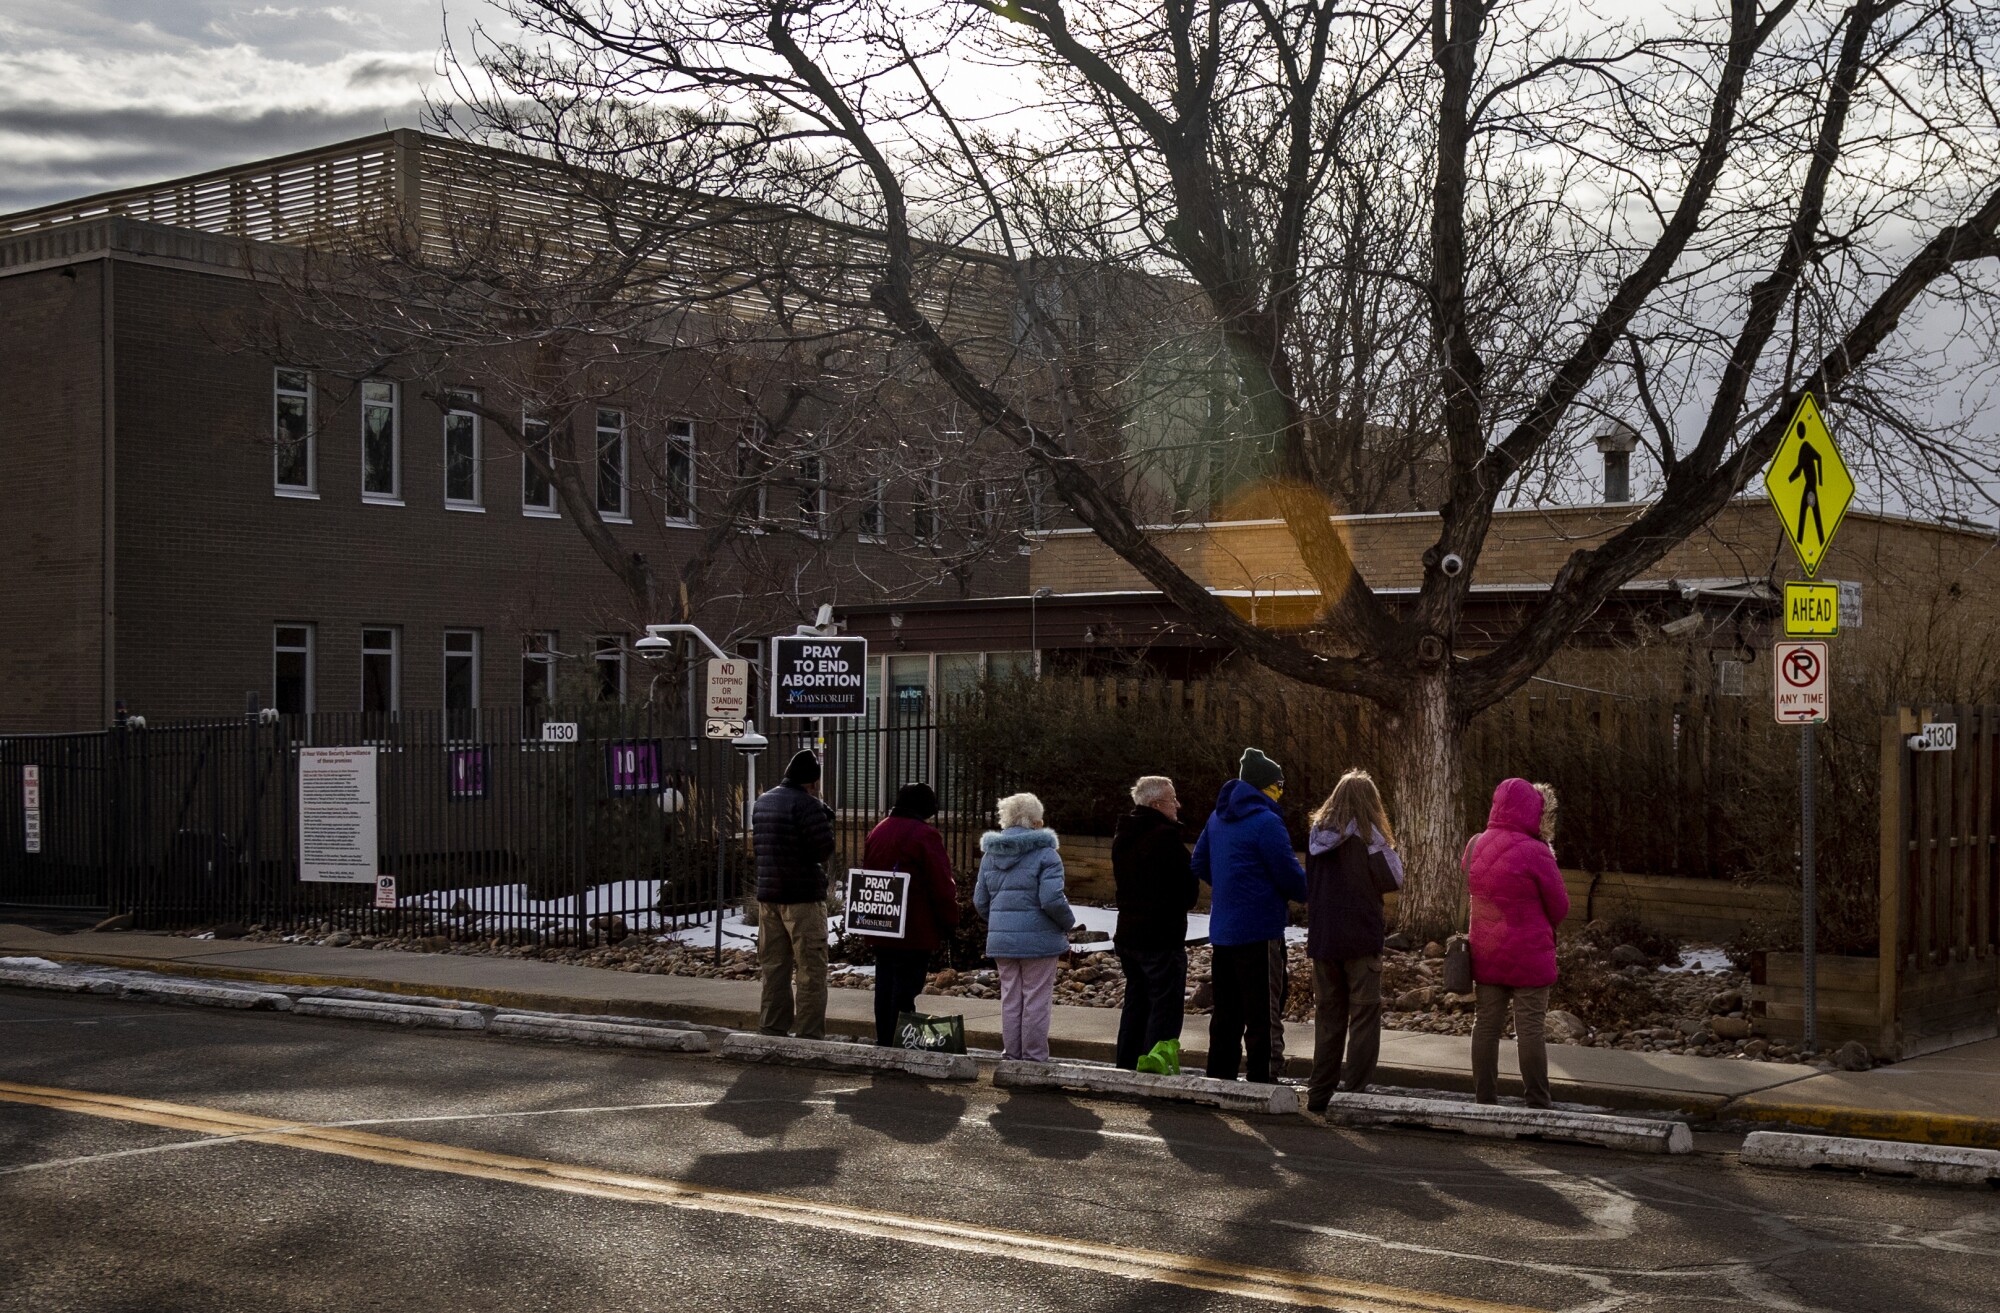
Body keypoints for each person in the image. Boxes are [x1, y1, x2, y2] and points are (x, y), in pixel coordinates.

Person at [1192, 748, 1307, 1084]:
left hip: (1224, 930)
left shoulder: (1217, 817)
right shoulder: (1267, 822)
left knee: (1226, 1012)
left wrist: (1230, 886)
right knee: (1264, 1011)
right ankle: (1264, 1078)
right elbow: (1290, 876)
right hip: (1260, 930)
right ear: (1265, 786)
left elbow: (1199, 863)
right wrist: (1305, 892)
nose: (1282, 790)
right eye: (1279, 784)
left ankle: (1220, 1077)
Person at [1465, 777, 1570, 1108]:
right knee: (1530, 1031)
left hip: (1486, 952)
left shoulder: (1475, 844)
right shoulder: (1536, 851)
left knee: (1485, 1027)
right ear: (1534, 811)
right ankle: (1538, 1101)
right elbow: (1560, 907)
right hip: (1530, 956)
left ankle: (1485, 1099)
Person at [1303, 770, 1403, 1110]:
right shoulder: (1369, 838)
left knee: (1328, 1017)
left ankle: (1320, 1092)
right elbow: (1393, 880)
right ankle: (1354, 1095)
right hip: (1361, 940)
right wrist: (1379, 842)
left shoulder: (1317, 839)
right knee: (1363, 1017)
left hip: (1324, 940)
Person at [974, 791, 1075, 1062]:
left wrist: (1000, 923)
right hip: (1039, 940)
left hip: (1002, 941)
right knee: (1036, 999)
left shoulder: (990, 855)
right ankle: (1033, 1057)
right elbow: (1052, 899)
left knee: (1010, 998)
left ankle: (1011, 1055)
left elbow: (980, 900)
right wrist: (1068, 923)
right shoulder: (1046, 854)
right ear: (1036, 822)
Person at [860, 782, 960, 1046]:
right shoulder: (924, 835)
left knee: (885, 984)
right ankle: (900, 1041)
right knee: (906, 989)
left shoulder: (879, 830)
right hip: (914, 926)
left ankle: (885, 1038)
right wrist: (950, 921)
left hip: (881, 920)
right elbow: (940, 883)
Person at [1111, 775, 1197, 1070]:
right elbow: (1187, 891)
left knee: (1136, 1001)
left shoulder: (1124, 835)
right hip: (1160, 935)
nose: (1178, 805)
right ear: (1158, 803)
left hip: (1128, 934)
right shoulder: (1165, 837)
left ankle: (1127, 1061)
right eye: (1173, 799)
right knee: (1165, 1004)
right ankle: (1155, 1062)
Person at [751, 749, 836, 1040]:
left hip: (769, 897)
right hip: (802, 900)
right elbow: (822, 850)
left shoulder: (763, 802)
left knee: (774, 967)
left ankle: (772, 1027)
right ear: (811, 782)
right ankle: (810, 1033)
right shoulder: (808, 805)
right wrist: (825, 818)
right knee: (811, 969)